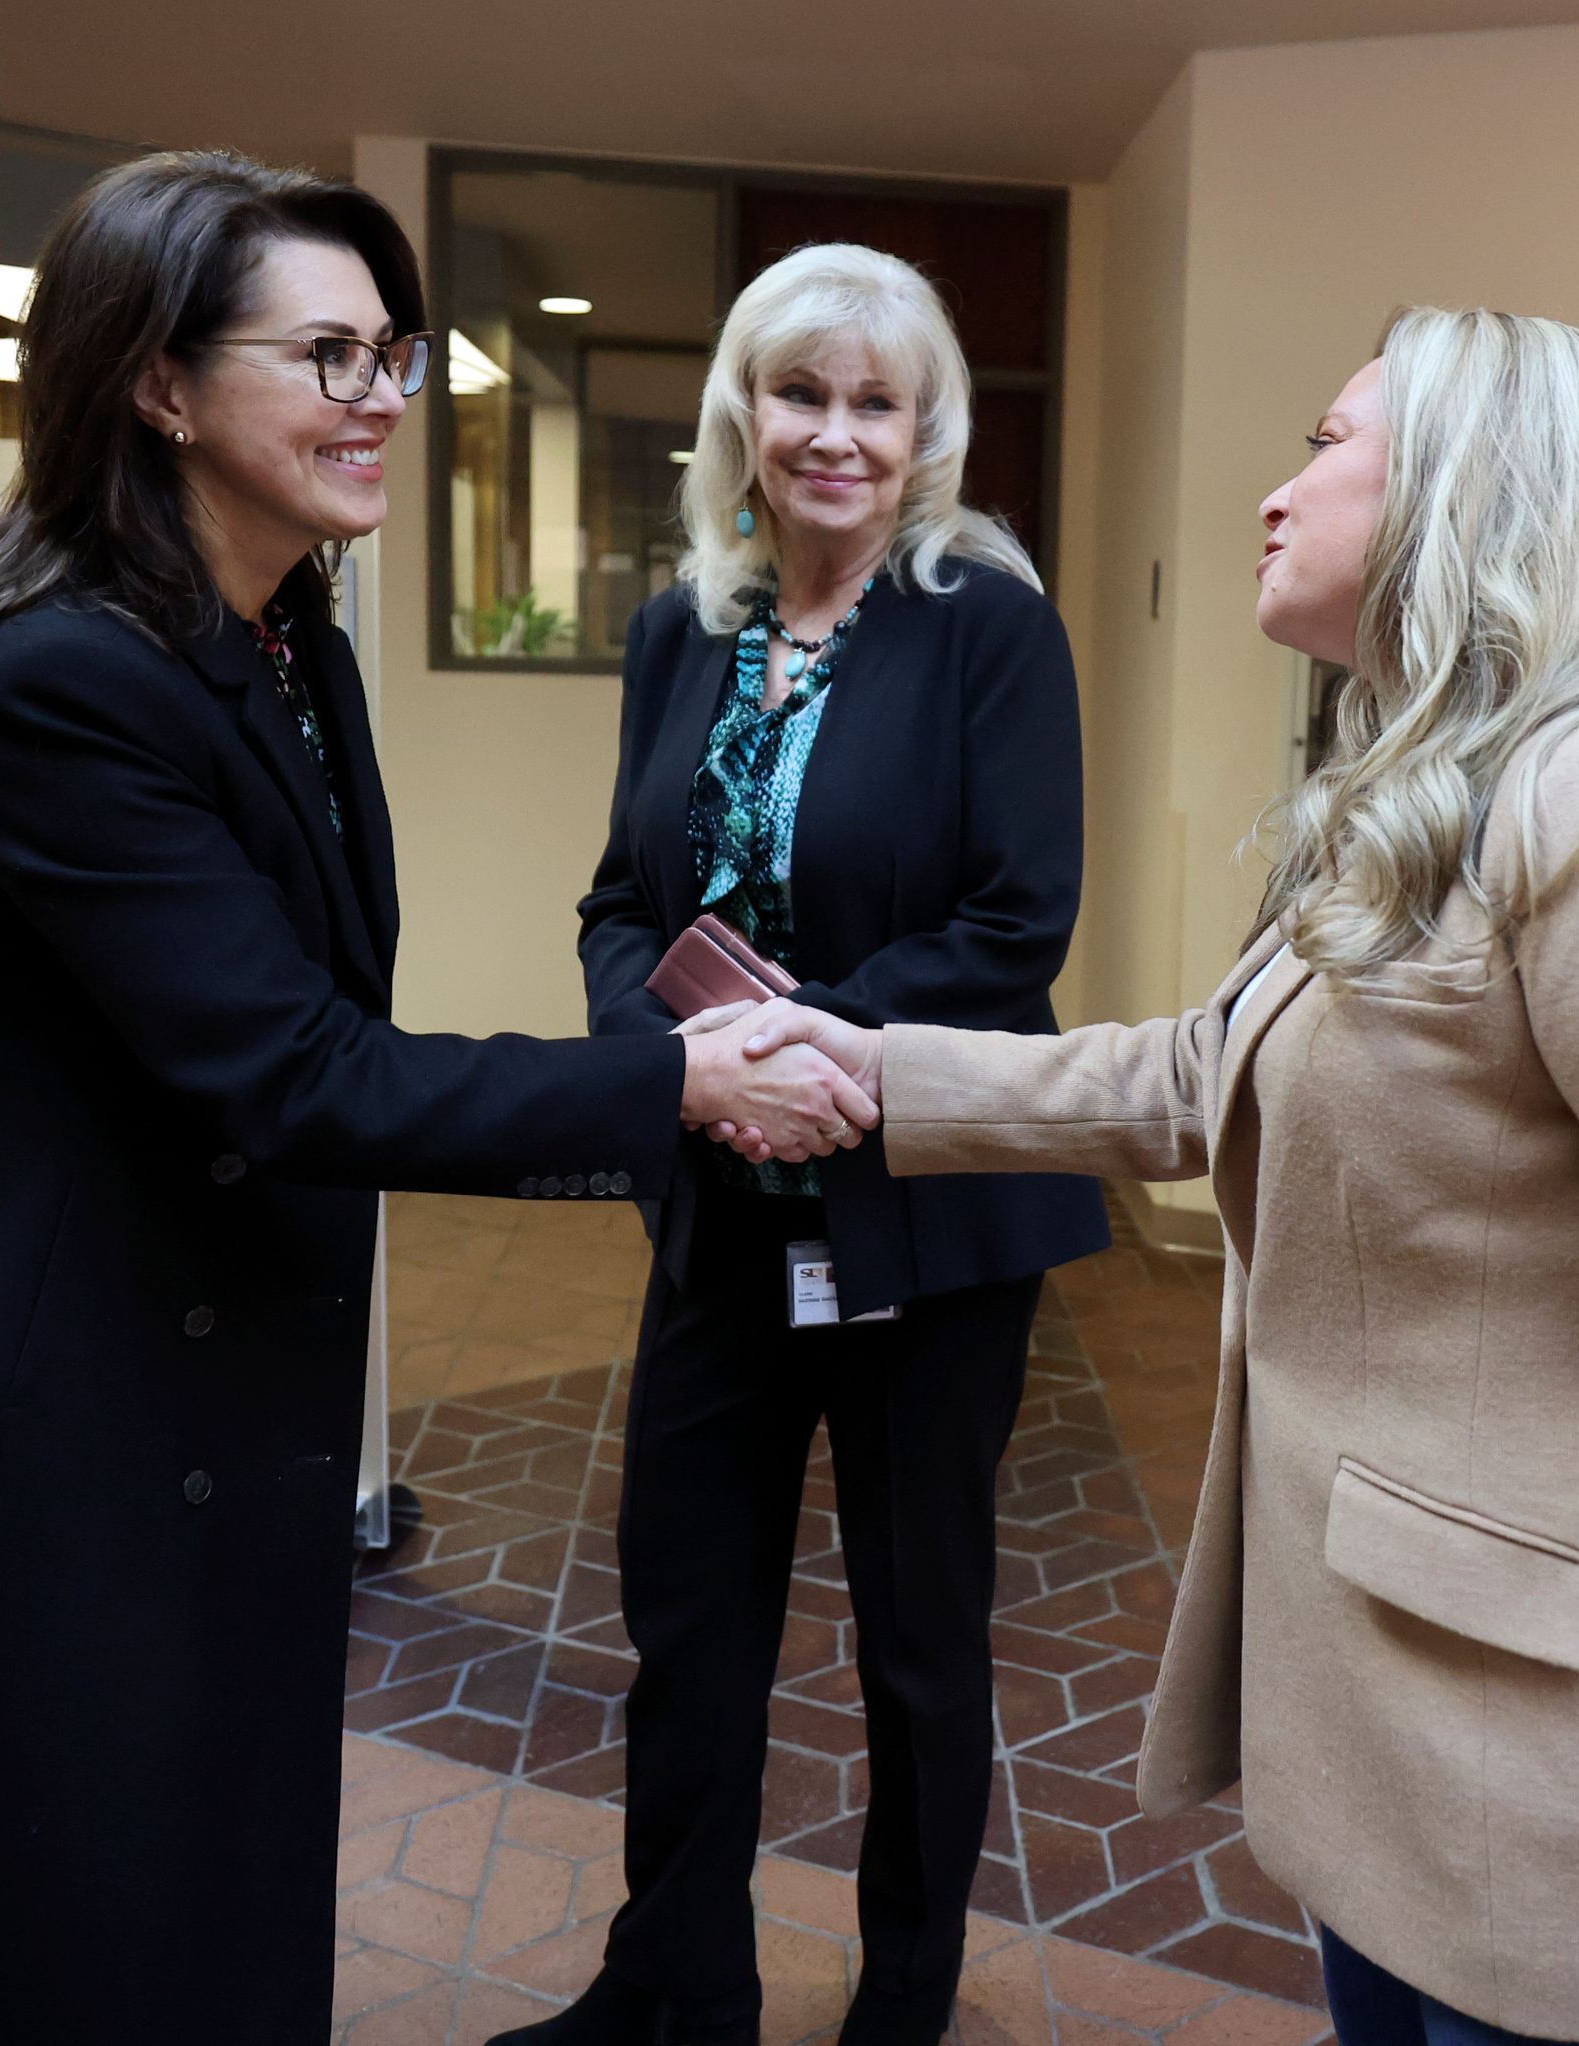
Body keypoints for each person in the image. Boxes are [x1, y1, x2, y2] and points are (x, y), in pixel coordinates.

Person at [0, 152, 872, 2046]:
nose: (384, 393)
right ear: (158, 381)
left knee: (164, 1820)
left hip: (152, 1290)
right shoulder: (62, 686)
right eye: (330, 353)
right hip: (5, 1330)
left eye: (394, 350)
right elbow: (298, 1069)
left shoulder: (287, 631)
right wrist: (677, 1079)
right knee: (8, 1854)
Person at [736, 307, 1579, 2046]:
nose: (1275, 493)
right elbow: (1207, 1071)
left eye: (1328, 445)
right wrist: (873, 1072)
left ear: (1466, 490)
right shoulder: (1417, 800)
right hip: (1419, 1747)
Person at [521, 244, 1107, 2046]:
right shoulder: (674, 628)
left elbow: (1020, 922)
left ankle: (902, 2008)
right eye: (800, 394)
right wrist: (682, 1049)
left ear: (925, 426)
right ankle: (672, 1984)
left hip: (926, 1219)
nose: (834, 434)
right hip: (718, 1199)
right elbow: (622, 903)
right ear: (743, 414)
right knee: (689, 1619)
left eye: (873, 400)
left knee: (920, 1645)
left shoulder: (988, 625)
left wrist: (801, 1043)